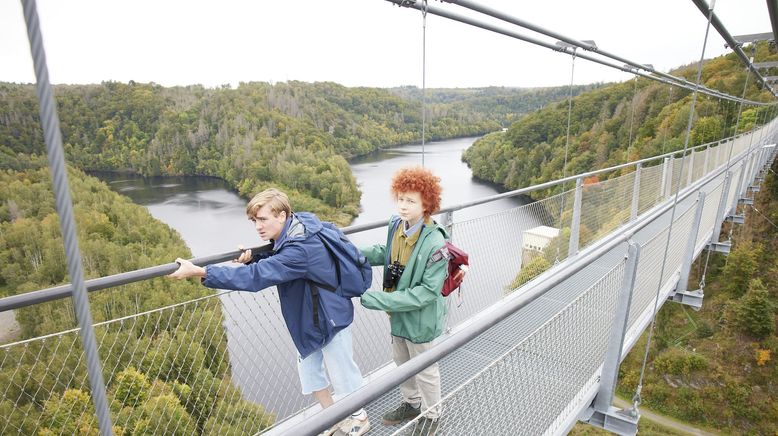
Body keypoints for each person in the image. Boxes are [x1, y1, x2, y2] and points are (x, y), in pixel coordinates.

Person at [169, 188, 370, 436]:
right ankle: (334, 417)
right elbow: (276, 256)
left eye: (263, 219)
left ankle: (359, 419)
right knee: (310, 373)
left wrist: (201, 271)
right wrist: (253, 256)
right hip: (309, 318)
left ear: (283, 216)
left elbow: (259, 276)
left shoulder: (300, 250)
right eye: (255, 220)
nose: (258, 227)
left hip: (330, 317)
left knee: (343, 375)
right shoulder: (299, 226)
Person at [359, 167, 448, 436]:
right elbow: (387, 253)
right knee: (401, 361)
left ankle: (433, 415)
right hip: (397, 313)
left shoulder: (436, 243)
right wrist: (353, 253)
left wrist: (378, 299)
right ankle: (411, 404)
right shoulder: (396, 225)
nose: (403, 206)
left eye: (411, 201)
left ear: (427, 205)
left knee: (425, 368)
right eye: (400, 199)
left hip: (420, 319)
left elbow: (427, 293)